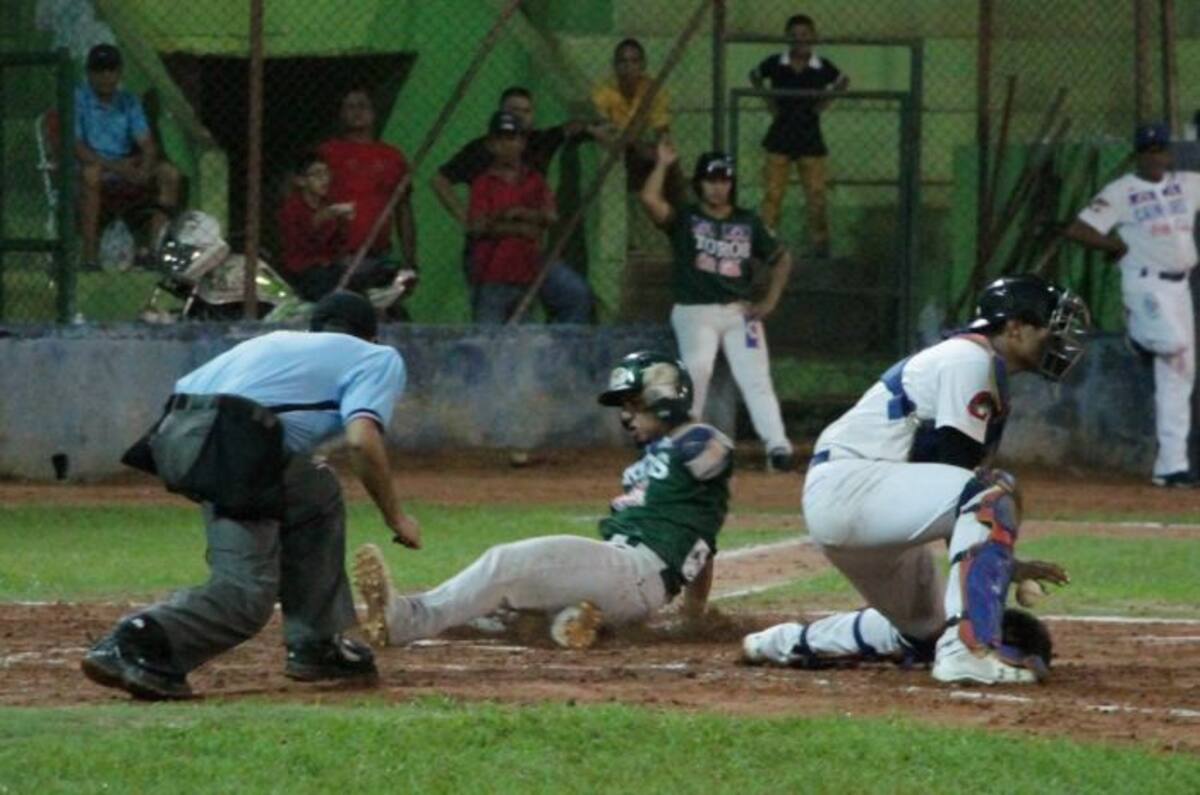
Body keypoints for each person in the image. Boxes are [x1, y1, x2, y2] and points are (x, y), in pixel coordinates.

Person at [741, 275, 1089, 685]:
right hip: (853, 487)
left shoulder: (978, 365)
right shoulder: (969, 359)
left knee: (926, 633)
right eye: (1051, 326)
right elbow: (967, 486)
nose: (1059, 340)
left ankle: (782, 642)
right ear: (1014, 327)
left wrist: (1002, 564)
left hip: (866, 504)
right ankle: (966, 653)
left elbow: (953, 491)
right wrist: (999, 561)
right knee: (992, 491)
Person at [81, 291, 421, 700]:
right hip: (236, 439)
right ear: (370, 335)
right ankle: (138, 640)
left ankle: (317, 642)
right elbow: (362, 441)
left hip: (176, 433)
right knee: (246, 596)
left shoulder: (274, 342)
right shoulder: (376, 357)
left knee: (316, 489)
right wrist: (396, 517)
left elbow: (195, 399)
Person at [352, 350, 731, 650]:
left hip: (634, 569)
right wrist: (694, 613)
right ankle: (570, 621)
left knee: (505, 562)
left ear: (662, 397)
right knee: (497, 606)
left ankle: (406, 619)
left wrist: (690, 431)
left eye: (634, 403)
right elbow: (703, 541)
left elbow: (712, 456)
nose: (626, 416)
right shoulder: (666, 467)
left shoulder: (696, 442)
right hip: (631, 582)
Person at [640, 139, 796, 472]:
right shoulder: (687, 217)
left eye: (724, 179)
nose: (718, 187)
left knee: (755, 378)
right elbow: (650, 199)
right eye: (711, 180)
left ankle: (778, 447)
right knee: (698, 370)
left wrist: (769, 301)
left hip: (738, 311)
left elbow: (781, 259)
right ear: (700, 183)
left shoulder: (747, 221)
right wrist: (663, 164)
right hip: (695, 310)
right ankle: (686, 442)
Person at [1064, 122, 1199, 487]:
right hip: (1145, 284)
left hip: (1179, 286)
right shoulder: (1122, 191)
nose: (1156, 157)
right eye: (1148, 151)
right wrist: (1114, 246)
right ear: (1138, 155)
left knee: (1180, 374)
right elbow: (1078, 229)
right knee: (1173, 345)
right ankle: (1140, 337)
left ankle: (1171, 467)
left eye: (1161, 151)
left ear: (1168, 154)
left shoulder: (1186, 184)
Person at [431, 86, 596, 320]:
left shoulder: (541, 143)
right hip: (490, 256)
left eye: (526, 111)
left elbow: (573, 129)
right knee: (492, 321)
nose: (519, 116)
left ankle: (557, 352)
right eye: (513, 110)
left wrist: (597, 129)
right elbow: (440, 181)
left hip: (530, 254)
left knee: (575, 296)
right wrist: (466, 218)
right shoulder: (480, 159)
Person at [466, 110, 591, 323]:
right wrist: (518, 226)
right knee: (488, 339)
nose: (508, 145)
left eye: (513, 139)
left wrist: (521, 214)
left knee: (524, 341)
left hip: (525, 275)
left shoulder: (534, 180)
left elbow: (551, 216)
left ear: (523, 143)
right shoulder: (484, 183)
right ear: (491, 144)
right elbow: (477, 226)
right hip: (491, 276)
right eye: (501, 140)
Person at [749, 14, 848, 257]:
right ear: (787, 38)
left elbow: (843, 80)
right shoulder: (776, 63)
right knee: (773, 193)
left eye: (805, 35)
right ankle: (767, 241)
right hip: (780, 134)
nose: (799, 40)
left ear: (813, 38)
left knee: (816, 194)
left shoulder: (821, 66)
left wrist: (825, 103)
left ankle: (820, 244)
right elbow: (754, 75)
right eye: (794, 36)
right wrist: (768, 101)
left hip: (809, 136)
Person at [75, 43, 181, 271]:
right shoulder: (78, 99)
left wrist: (144, 167)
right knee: (90, 174)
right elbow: (77, 147)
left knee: (169, 174)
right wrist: (117, 167)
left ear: (119, 72)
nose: (106, 76)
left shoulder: (129, 101)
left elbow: (147, 144)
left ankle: (153, 252)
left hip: (126, 164)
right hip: (95, 164)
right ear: (89, 73)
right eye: (99, 70)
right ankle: (90, 257)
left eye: (111, 70)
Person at [317, 88, 418, 293]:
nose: (357, 112)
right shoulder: (327, 153)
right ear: (341, 114)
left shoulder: (392, 157)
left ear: (373, 112)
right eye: (350, 107)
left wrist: (410, 259)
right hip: (336, 256)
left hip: (378, 254)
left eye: (363, 106)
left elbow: (403, 210)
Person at [591, 38, 682, 198]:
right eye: (623, 61)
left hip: (638, 146)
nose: (628, 67)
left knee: (668, 161)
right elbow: (603, 127)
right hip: (614, 145)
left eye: (634, 61)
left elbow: (662, 129)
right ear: (615, 66)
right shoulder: (604, 90)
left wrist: (662, 150)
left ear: (643, 65)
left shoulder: (652, 90)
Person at [277, 151, 354, 301]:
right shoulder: (291, 209)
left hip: (328, 267)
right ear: (301, 181)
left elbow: (337, 246)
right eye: (317, 175)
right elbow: (297, 246)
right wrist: (318, 220)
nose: (324, 180)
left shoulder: (328, 205)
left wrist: (343, 224)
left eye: (326, 174)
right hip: (301, 269)